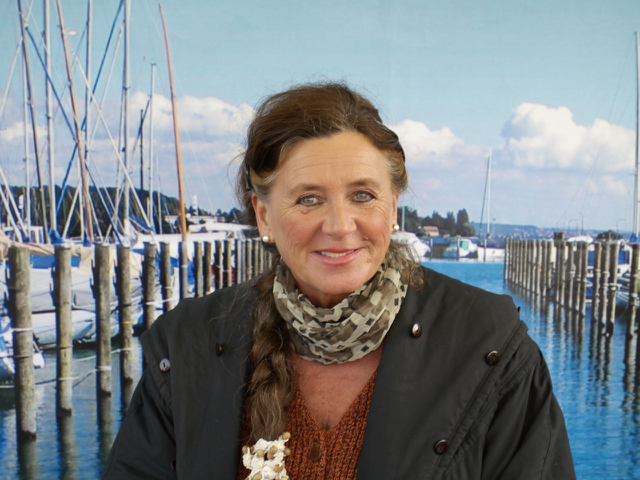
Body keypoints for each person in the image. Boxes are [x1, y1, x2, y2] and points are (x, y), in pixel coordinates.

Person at [102, 82, 576, 479]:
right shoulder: (187, 345)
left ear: (393, 207)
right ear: (264, 215)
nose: (340, 225)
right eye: (308, 199)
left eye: (363, 195)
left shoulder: (490, 346)